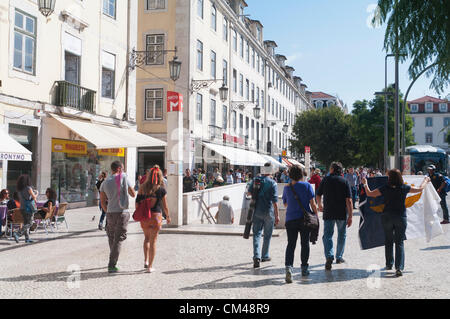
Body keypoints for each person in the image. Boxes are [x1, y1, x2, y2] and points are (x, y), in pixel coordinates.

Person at [362, 170, 430, 277]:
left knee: (388, 241)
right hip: (400, 217)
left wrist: (365, 183)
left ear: (390, 178)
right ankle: (399, 268)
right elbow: (420, 189)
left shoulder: (385, 188)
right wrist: (426, 180)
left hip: (387, 217)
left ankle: (389, 264)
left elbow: (370, 193)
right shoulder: (404, 187)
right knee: (399, 242)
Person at [283, 166, 319, 282]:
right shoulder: (307, 186)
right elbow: (312, 204)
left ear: (290, 175)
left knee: (291, 244)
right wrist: (316, 215)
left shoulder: (287, 188)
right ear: (301, 175)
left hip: (290, 219)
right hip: (304, 219)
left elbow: (285, 204)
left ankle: (289, 268)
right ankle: (304, 268)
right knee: (305, 244)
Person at [100, 161, 136, 273]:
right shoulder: (124, 177)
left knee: (111, 236)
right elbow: (133, 193)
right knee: (119, 237)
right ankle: (112, 264)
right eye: (123, 169)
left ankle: (113, 257)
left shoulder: (105, 182)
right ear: (120, 169)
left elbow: (102, 201)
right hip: (122, 212)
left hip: (110, 212)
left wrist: (107, 211)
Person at [316, 162, 353, 271]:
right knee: (342, 235)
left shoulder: (325, 180)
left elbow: (318, 195)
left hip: (328, 212)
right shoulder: (344, 181)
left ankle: (329, 256)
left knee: (327, 235)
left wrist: (319, 205)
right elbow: (349, 201)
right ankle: (339, 257)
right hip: (341, 212)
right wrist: (350, 216)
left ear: (332, 169)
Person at [136, 165, 170, 273]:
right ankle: (150, 267)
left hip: (145, 216)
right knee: (153, 241)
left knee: (146, 238)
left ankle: (145, 261)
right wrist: (168, 217)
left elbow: (137, 203)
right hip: (156, 216)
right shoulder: (161, 189)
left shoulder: (142, 188)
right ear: (160, 176)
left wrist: (140, 213)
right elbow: (165, 206)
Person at [247, 162, 279, 268]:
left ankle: (256, 256)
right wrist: (277, 215)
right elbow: (275, 201)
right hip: (269, 211)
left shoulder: (256, 180)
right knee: (267, 235)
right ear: (271, 171)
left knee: (256, 234)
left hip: (257, 210)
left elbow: (249, 193)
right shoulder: (273, 183)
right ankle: (265, 255)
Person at [13, 174, 38, 244]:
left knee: (26, 223)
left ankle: (27, 239)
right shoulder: (28, 188)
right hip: (28, 208)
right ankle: (18, 234)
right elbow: (34, 197)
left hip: (22, 208)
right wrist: (37, 193)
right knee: (30, 223)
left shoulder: (19, 190)